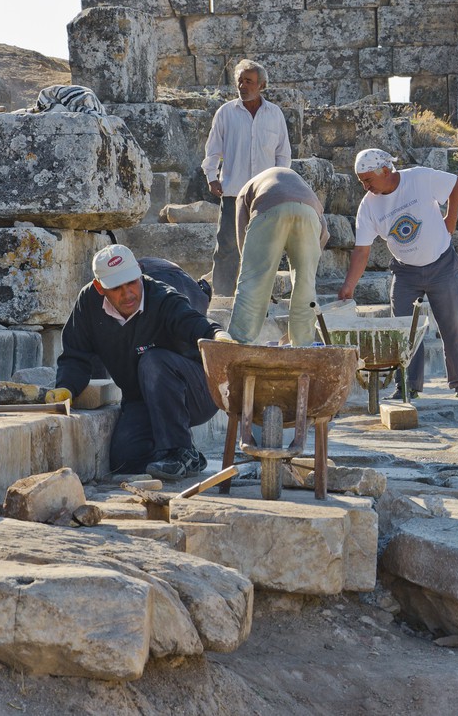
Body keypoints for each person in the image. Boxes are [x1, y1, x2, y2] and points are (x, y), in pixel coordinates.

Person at [49, 245, 223, 481]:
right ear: (100, 287)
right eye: (116, 287)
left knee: (152, 361)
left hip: (196, 392)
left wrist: (219, 335)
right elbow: (75, 355)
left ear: (140, 272)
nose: (127, 293)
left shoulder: (162, 297)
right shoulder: (88, 303)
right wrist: (66, 387)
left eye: (132, 282)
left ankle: (177, 451)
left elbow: (195, 324)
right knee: (126, 459)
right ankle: (189, 457)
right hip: (142, 398)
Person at [338, 149, 458, 400]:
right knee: (403, 331)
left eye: (368, 180)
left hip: (441, 264)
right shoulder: (368, 206)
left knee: (453, 326)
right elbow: (361, 251)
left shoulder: (419, 178)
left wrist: (450, 222)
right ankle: (408, 387)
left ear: (386, 171)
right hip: (405, 272)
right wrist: (349, 286)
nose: (366, 187)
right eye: (362, 182)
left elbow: (456, 184)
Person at [201, 59, 291, 297]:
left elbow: (283, 154)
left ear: (261, 85)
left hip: (266, 195)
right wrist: (212, 176)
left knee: (265, 248)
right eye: (240, 81)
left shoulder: (275, 115)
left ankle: (260, 297)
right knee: (227, 247)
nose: (242, 86)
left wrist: (280, 185)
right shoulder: (226, 113)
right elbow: (212, 149)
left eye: (248, 81)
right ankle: (222, 298)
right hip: (234, 193)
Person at [227, 167, 328, 346]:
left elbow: (244, 242)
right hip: (310, 214)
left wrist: (253, 271)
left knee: (253, 281)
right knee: (305, 284)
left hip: (269, 207)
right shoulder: (301, 186)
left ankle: (239, 342)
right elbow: (324, 234)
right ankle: (302, 344)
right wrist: (309, 262)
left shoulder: (245, 191)